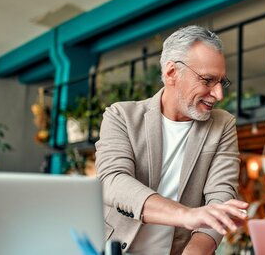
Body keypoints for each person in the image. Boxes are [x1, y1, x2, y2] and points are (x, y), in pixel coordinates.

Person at [95, 25, 248, 255]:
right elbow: (113, 181)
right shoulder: (121, 116)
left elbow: (221, 198)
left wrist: (194, 251)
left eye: (221, 82)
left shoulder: (222, 125)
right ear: (171, 73)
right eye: (208, 80)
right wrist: (186, 215)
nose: (218, 94)